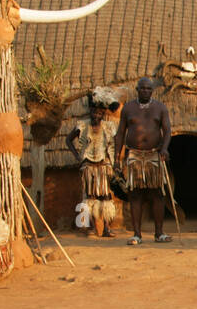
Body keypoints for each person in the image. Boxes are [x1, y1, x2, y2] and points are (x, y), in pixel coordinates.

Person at [113, 77, 173, 245]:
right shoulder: (128, 108)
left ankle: (159, 233)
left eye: (148, 89)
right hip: (134, 155)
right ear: (137, 89)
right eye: (142, 88)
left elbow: (167, 131)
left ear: (152, 91)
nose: (145, 91)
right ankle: (137, 234)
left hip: (154, 155)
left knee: (157, 195)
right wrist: (117, 157)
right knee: (135, 195)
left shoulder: (160, 108)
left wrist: (164, 148)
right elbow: (120, 133)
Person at [65, 87, 120, 238]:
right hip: (88, 166)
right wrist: (77, 156)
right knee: (89, 197)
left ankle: (107, 228)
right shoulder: (82, 125)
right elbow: (68, 140)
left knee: (105, 197)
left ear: (103, 114)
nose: (96, 115)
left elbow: (115, 144)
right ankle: (90, 228)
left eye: (99, 113)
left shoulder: (109, 127)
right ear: (90, 111)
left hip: (103, 166)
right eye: (94, 112)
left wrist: (114, 162)